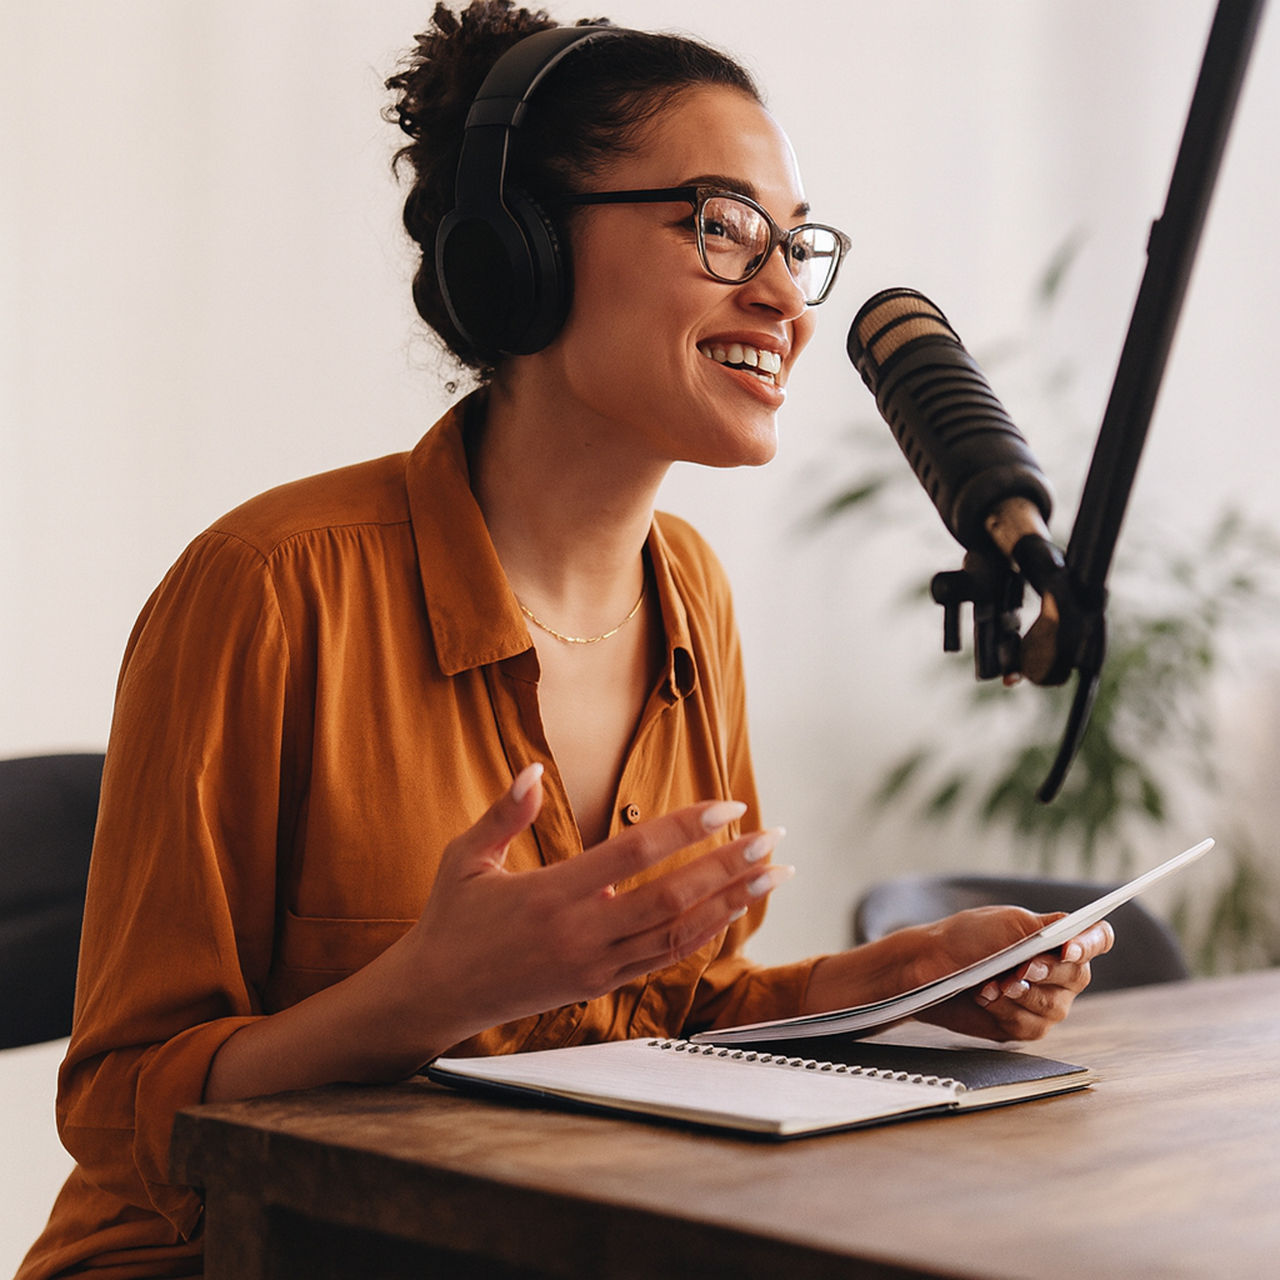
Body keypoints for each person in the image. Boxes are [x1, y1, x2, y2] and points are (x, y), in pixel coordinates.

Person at [19, 3, 1112, 1276]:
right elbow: (116, 1102)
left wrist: (895, 979)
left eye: (795, 244)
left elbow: (675, 1017)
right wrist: (424, 994)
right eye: (720, 225)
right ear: (518, 251)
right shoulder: (270, 587)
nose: (782, 294)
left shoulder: (687, 591)